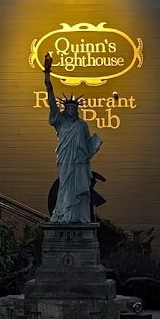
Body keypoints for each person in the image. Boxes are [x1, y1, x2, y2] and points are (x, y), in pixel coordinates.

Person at [43, 53, 98, 223]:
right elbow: (51, 100)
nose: (71, 110)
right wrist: (47, 75)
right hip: (65, 160)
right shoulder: (60, 122)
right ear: (65, 110)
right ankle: (63, 213)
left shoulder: (82, 125)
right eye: (68, 108)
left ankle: (79, 216)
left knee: (79, 189)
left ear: (77, 109)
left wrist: (95, 145)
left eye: (74, 108)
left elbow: (88, 144)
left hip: (80, 162)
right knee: (65, 187)